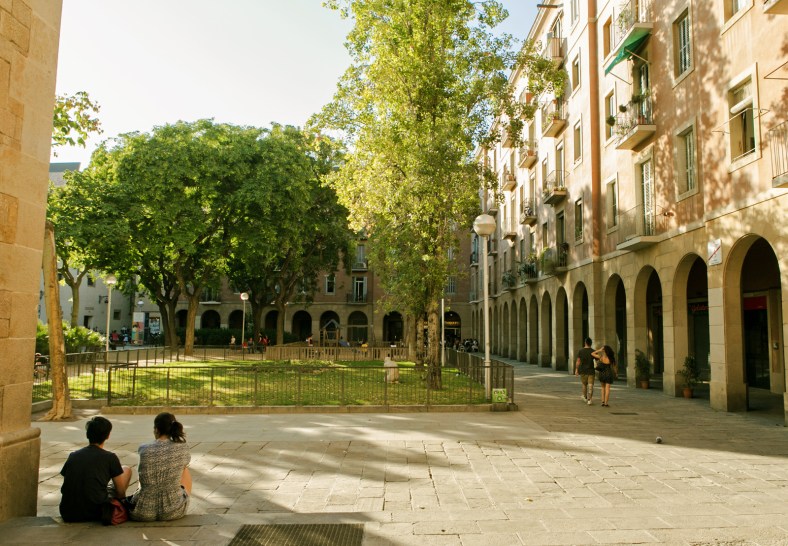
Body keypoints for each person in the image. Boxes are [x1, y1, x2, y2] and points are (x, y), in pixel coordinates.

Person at [59, 416, 132, 524]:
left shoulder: (73, 456)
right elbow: (120, 492)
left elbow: (69, 481)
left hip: (68, 512)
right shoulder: (110, 457)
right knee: (126, 470)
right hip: (98, 511)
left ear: (87, 434)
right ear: (107, 435)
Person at [129, 412, 192, 521]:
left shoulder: (144, 448)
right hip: (173, 510)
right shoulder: (182, 447)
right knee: (184, 468)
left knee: (146, 468)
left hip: (143, 511)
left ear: (156, 429)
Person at [574, 337, 595, 405]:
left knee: (584, 385)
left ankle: (585, 397)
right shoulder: (593, 351)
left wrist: (576, 369)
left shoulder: (581, 351)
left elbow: (578, 361)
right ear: (591, 343)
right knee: (591, 386)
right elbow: (598, 359)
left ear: (585, 343)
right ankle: (589, 399)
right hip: (591, 370)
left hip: (583, 370)